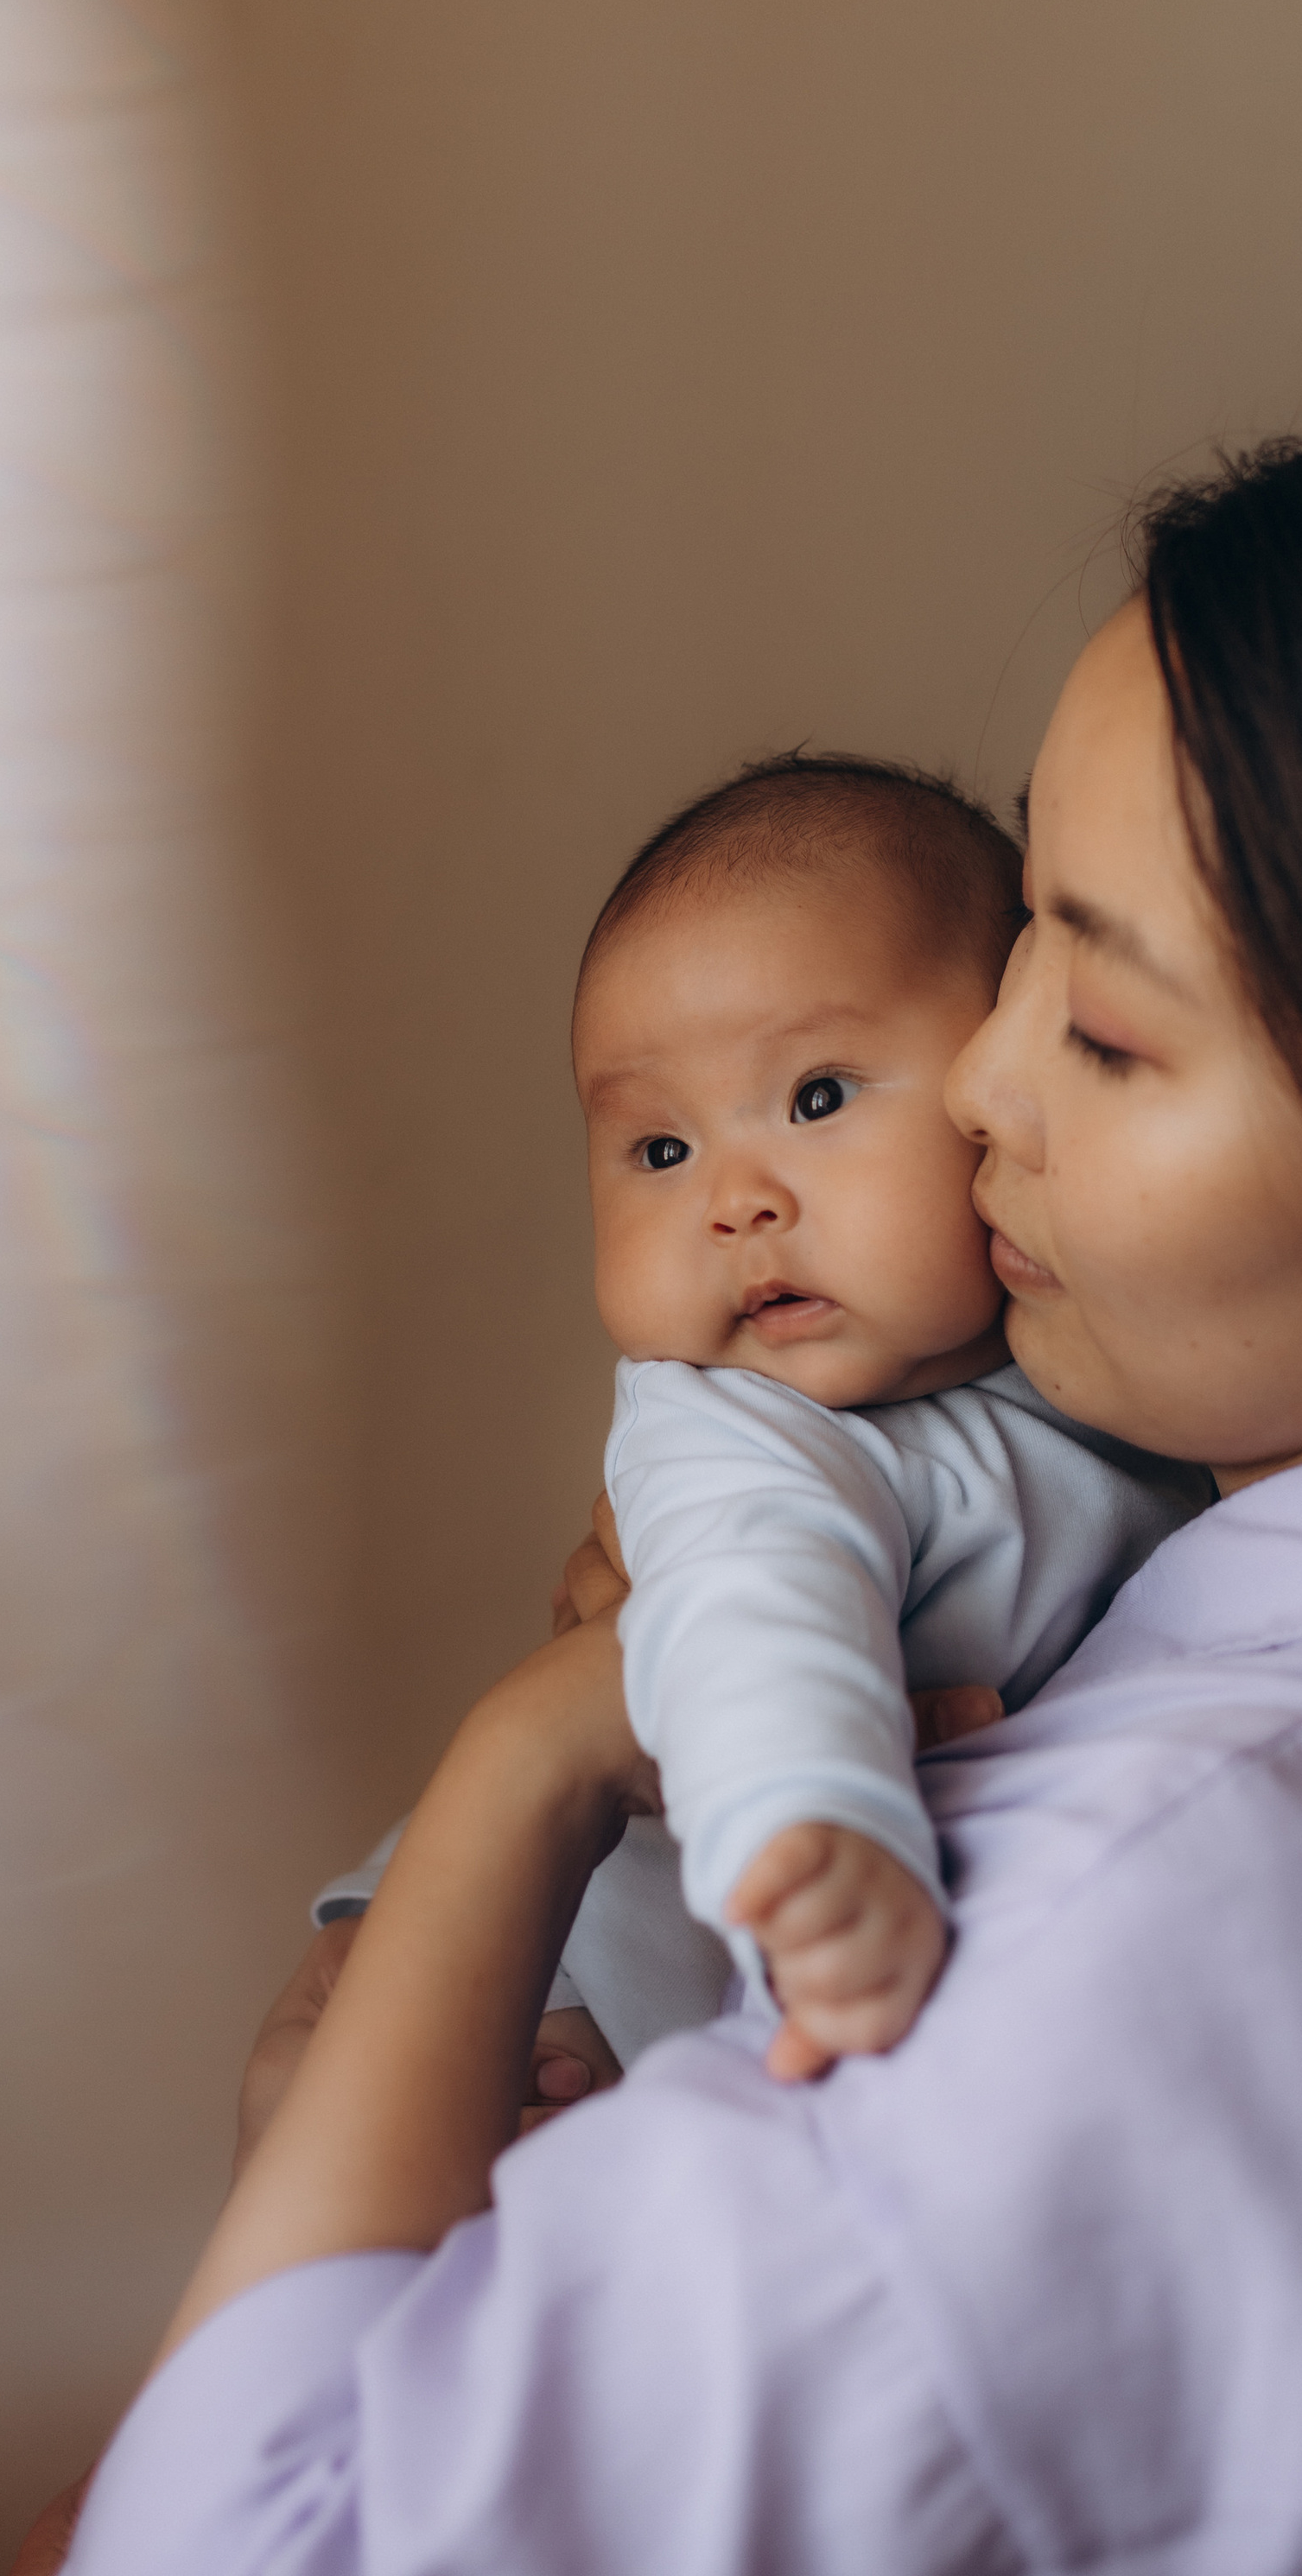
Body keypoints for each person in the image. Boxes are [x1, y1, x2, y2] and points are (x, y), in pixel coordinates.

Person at [0, 383, 1302, 2576]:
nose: (973, 1080)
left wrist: (533, 1760)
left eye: (1115, 1037)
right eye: (1022, 922)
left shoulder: (1132, 1929)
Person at [313, 752, 1197, 2077]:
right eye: (661, 1151)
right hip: (570, 1979)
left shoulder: (1100, 1367)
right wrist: (817, 1827)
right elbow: (757, 1612)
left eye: (818, 1096)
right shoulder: (733, 1425)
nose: (735, 1201)